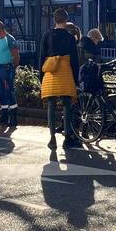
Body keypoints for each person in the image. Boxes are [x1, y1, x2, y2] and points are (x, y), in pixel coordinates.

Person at [39, 8, 81, 150]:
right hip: (66, 73)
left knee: (51, 106)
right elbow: (74, 61)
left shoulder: (47, 35)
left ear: (54, 19)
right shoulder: (70, 38)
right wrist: (76, 80)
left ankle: (52, 138)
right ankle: (67, 137)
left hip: (50, 73)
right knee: (67, 106)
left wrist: (41, 78)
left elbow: (41, 58)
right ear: (66, 20)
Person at [0, 20, 20, 128]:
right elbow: (0, 55)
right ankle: (4, 116)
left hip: (7, 69)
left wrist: (12, 68)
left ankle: (13, 118)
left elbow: (16, 55)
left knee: (9, 92)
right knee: (1, 93)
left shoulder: (10, 39)